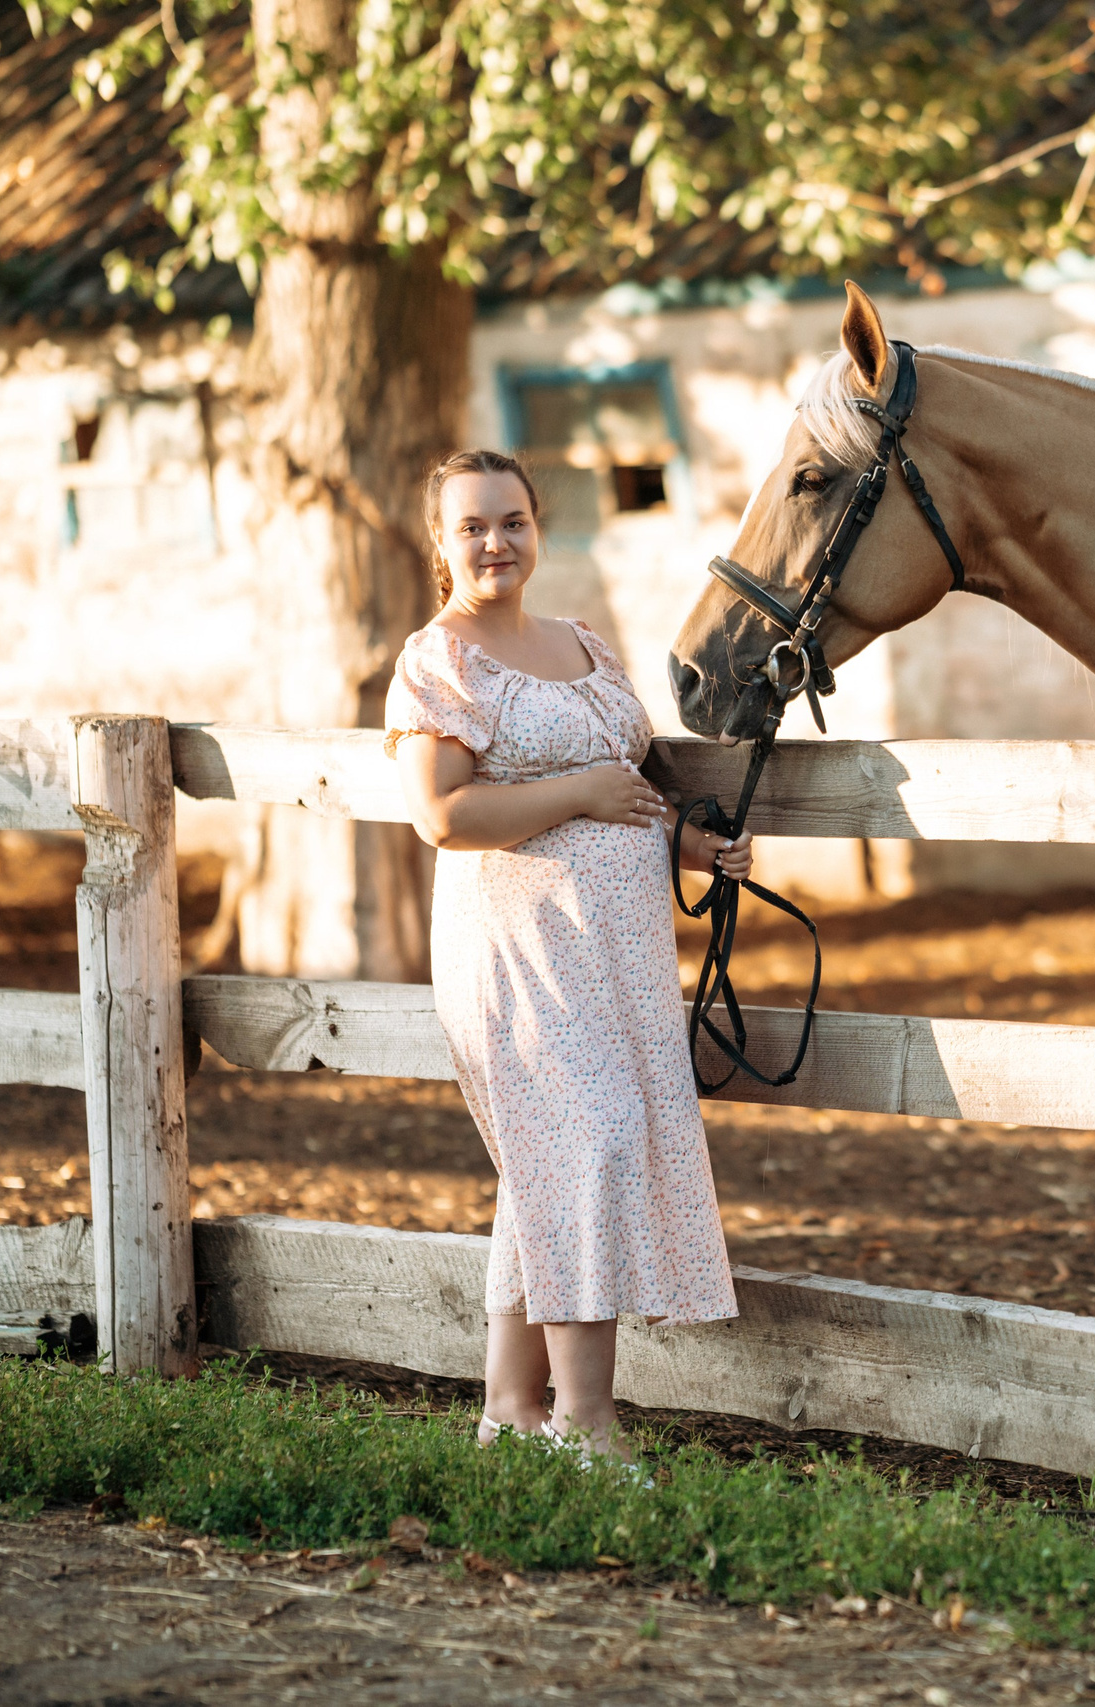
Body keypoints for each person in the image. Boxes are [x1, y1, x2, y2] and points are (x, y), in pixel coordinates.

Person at [385, 447, 751, 1463]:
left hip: (621, 959)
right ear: (441, 543)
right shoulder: (439, 661)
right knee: (587, 1144)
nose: (495, 542)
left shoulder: (580, 642)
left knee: (553, 1161)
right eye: (472, 526)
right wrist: (583, 797)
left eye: (512, 521)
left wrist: (686, 841)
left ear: (536, 526)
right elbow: (442, 814)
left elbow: (623, 782)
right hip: (521, 950)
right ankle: (587, 1426)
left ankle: (510, 1412)